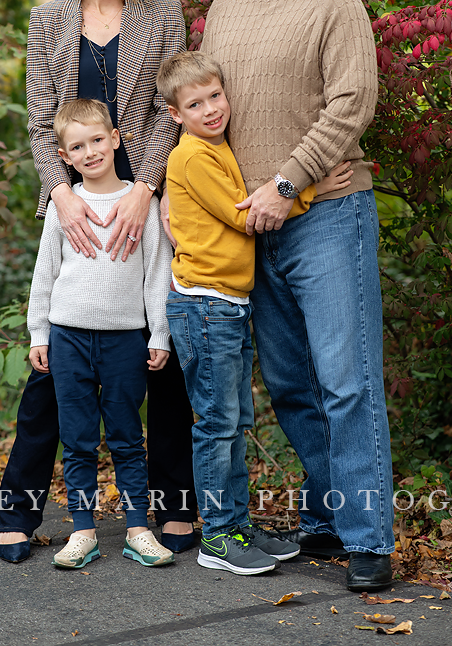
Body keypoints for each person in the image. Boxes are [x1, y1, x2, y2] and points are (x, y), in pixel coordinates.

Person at [200, 0, 395, 592]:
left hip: (327, 218)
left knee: (347, 382)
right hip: (253, 226)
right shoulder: (221, 10)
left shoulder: (335, 0)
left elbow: (353, 101)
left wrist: (290, 182)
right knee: (289, 386)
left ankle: (369, 537)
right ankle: (327, 518)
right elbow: (208, 111)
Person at [0, 0, 197, 564]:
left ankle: (171, 507)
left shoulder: (162, 15)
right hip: (77, 204)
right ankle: (18, 508)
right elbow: (36, 121)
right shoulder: (48, 19)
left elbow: (170, 113)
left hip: (148, 201)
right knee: (56, 365)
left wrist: (147, 188)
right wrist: (61, 195)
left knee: (160, 363)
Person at [157, 51, 352, 575]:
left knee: (233, 421)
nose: (211, 109)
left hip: (228, 304)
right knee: (217, 424)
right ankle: (218, 537)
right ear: (176, 115)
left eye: (215, 96)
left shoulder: (218, 148)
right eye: (195, 104)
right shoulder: (193, 156)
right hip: (205, 305)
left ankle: (237, 524)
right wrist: (313, 189)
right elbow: (248, 217)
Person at [28, 99, 174, 569]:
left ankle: (138, 529)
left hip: (125, 339)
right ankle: (83, 531)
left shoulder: (142, 203)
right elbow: (44, 272)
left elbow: (157, 272)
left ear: (115, 139)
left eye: (96, 140)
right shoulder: (63, 206)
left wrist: (160, 335)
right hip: (68, 337)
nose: (89, 151)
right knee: (78, 439)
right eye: (77, 146)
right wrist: (38, 334)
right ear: (65, 157)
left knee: (128, 436)